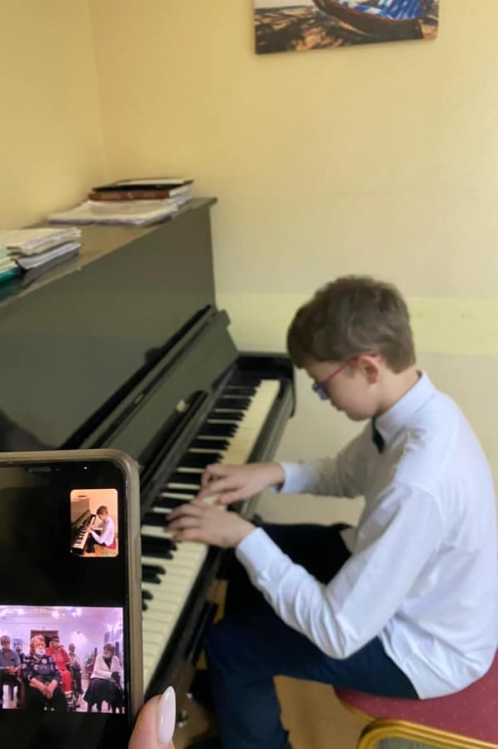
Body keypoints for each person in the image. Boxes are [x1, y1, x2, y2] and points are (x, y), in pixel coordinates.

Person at [166, 276, 498, 749]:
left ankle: (249, 711)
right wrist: (271, 473)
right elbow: (345, 473)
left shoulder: (419, 482)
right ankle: (237, 699)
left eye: (323, 387)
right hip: (407, 591)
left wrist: (242, 535)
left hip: (423, 647)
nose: (324, 397)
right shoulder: (415, 409)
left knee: (230, 644)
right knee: (251, 557)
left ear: (366, 367)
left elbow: (339, 632)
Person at [20, 634, 67, 713]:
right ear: (33, 647)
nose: (41, 647)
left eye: (42, 644)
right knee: (34, 700)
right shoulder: (27, 657)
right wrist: (40, 686)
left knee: (62, 702)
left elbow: (57, 673)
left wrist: (51, 686)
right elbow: (25, 673)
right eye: (38, 645)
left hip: (50, 686)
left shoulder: (49, 658)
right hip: (35, 686)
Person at [84, 642, 123, 712]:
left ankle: (114, 706)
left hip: (110, 680)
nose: (105, 652)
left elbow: (118, 670)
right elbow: (96, 670)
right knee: (99, 685)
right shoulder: (99, 657)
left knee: (117, 691)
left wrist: (117, 675)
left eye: (107, 651)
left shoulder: (116, 659)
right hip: (97, 678)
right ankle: (97, 702)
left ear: (112, 652)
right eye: (104, 650)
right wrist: (110, 674)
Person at [0, 634, 20, 708]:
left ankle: (19, 702)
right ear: (1, 643)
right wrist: (5, 668)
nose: (6, 644)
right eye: (4, 642)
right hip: (1, 675)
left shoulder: (14, 654)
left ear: (10, 642)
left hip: (12, 675)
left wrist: (15, 669)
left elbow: (19, 665)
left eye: (7, 642)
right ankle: (0, 700)